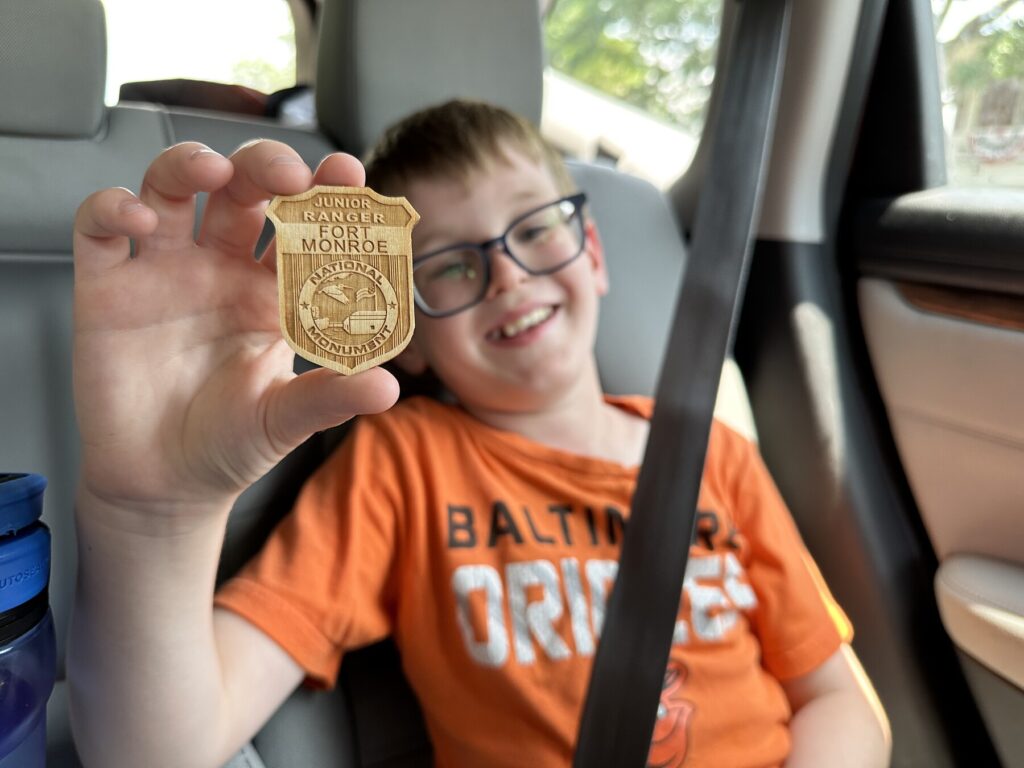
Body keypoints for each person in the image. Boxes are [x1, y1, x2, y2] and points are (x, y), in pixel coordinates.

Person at [67, 100, 891, 768]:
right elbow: (164, 747)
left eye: (535, 230)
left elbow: (839, 699)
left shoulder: (717, 456)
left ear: (591, 250)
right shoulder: (404, 465)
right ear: (408, 331)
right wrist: (156, 519)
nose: (507, 277)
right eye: (450, 265)